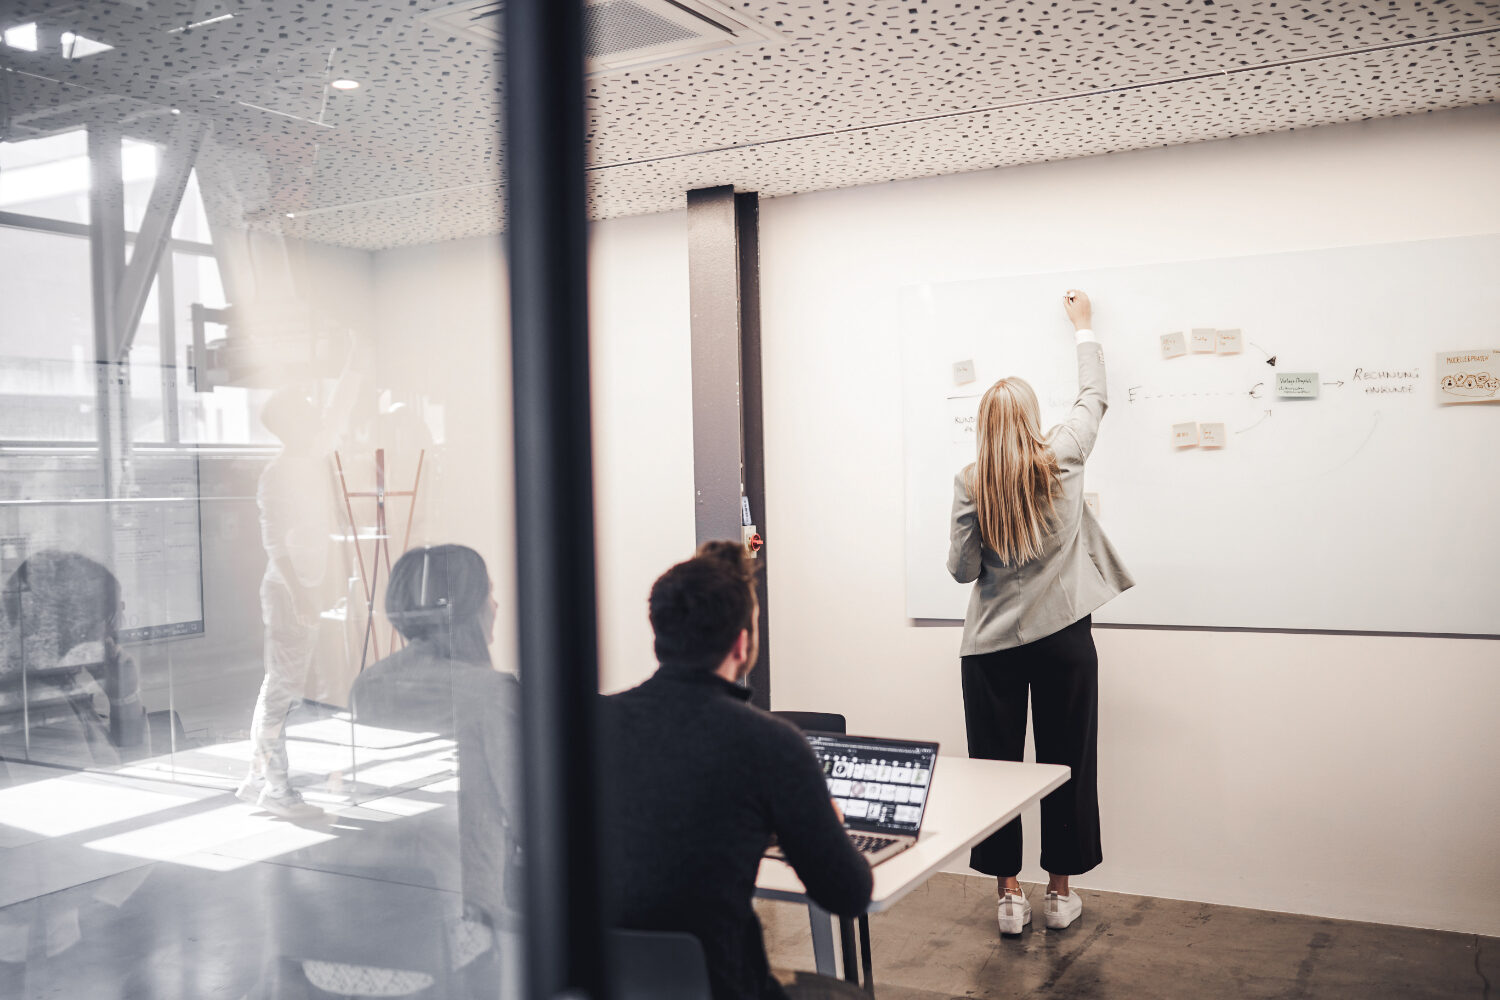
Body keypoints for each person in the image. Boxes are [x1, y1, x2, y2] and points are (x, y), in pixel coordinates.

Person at [601, 541, 872, 1000]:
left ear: (659, 634)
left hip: (601, 982)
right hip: (723, 987)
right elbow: (848, 894)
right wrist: (826, 825)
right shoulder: (772, 744)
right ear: (742, 641)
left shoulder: (594, 722)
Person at [947, 289, 1134, 936]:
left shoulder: (973, 482)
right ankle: (1058, 894)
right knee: (1068, 764)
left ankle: (1007, 897)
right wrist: (1084, 326)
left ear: (982, 425)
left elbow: (962, 571)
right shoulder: (1064, 455)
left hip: (991, 649)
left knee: (995, 773)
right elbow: (1094, 399)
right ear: (1029, 417)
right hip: (1065, 643)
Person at [236, 389, 342, 819]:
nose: (317, 415)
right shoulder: (279, 474)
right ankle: (276, 789)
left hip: (300, 589)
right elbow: (275, 541)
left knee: (280, 687)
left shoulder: (306, 467)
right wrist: (301, 593)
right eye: (309, 409)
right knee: (282, 689)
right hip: (289, 591)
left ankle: (260, 778)